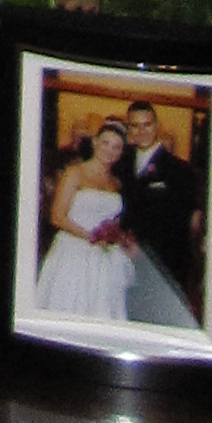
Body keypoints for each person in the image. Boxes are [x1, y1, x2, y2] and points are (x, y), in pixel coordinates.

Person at [31, 119, 135, 320]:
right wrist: (92, 236)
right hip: (74, 250)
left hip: (104, 256)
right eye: (105, 143)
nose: (109, 151)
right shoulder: (75, 172)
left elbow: (114, 219)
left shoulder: (116, 182)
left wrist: (115, 235)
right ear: (95, 142)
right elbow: (57, 217)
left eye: (116, 147)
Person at [117, 97, 206, 325]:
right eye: (135, 126)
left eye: (147, 124)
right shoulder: (119, 163)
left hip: (161, 263)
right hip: (122, 258)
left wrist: (143, 250)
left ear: (157, 126)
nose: (142, 131)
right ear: (129, 129)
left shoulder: (180, 171)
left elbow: (180, 224)